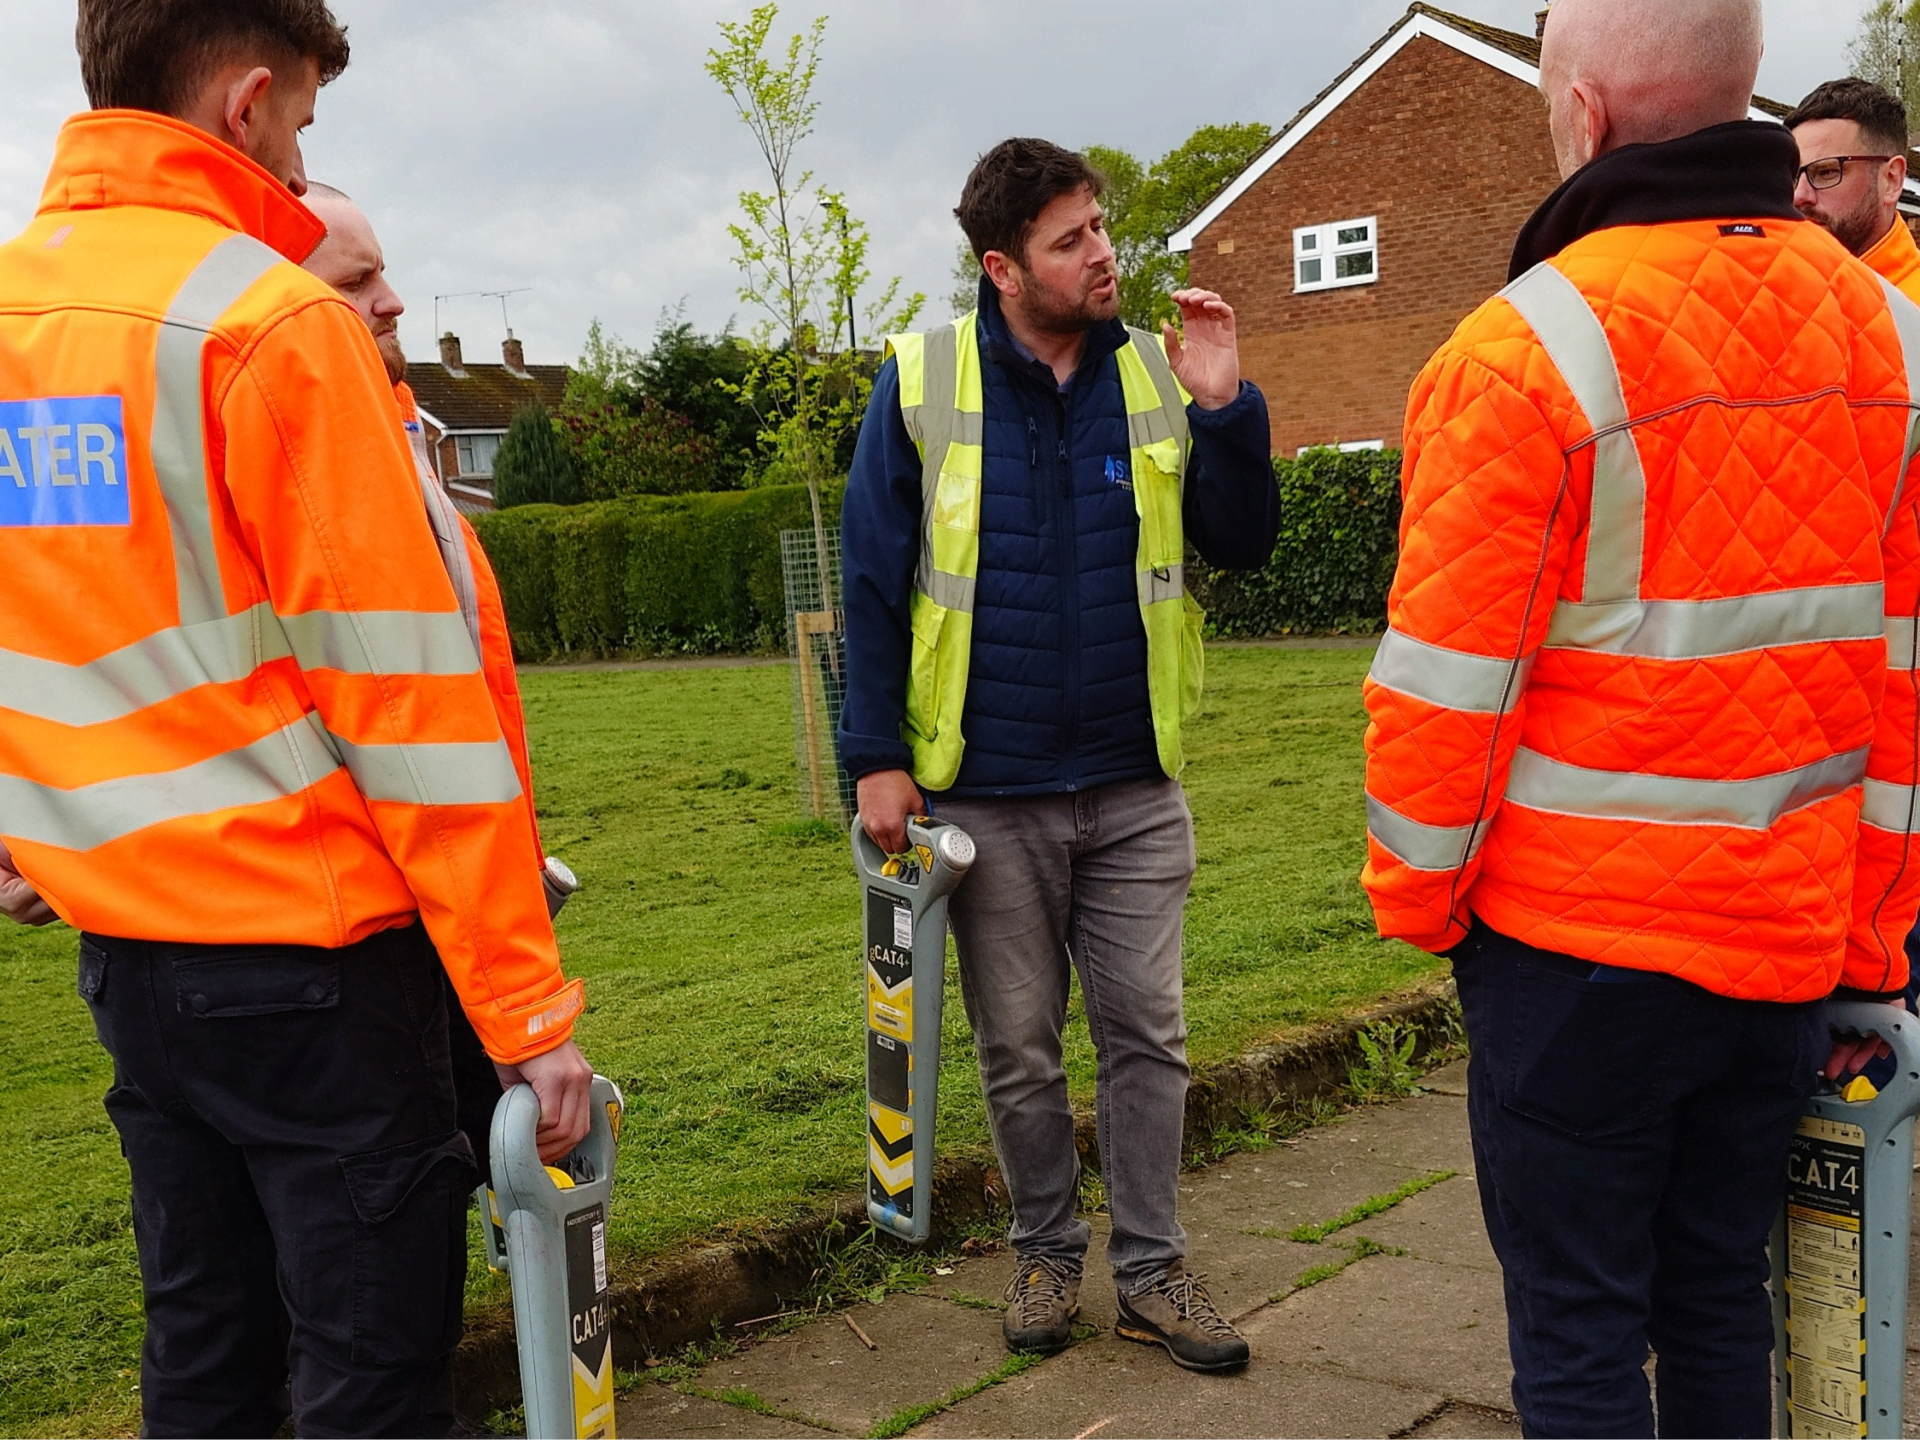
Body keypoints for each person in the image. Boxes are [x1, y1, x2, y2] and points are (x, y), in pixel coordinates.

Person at [0, 4, 593, 1437]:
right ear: (248, 99)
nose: (297, 148)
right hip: (312, 965)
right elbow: (411, 708)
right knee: (370, 1369)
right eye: (305, 122)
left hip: (131, 960)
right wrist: (521, 1010)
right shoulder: (269, 324)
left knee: (205, 1353)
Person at [1361, 0, 1920, 1434]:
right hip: (1783, 952)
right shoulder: (1895, 338)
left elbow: (1444, 688)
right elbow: (1902, 689)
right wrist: (1870, 942)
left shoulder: (1519, 347)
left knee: (1579, 1330)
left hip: (1573, 960)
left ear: (1588, 114)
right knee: (1722, 1300)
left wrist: (1425, 906)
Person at [839, 137, 1278, 1373]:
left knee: (1147, 1031)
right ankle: (1043, 1251)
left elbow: (1240, 543)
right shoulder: (922, 383)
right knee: (1019, 1045)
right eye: (1072, 239)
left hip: (1138, 785)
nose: (1104, 256)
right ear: (1001, 267)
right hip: (988, 792)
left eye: (1102, 229)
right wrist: (876, 757)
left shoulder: (1156, 370)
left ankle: (1151, 1272)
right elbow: (873, 584)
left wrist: (1227, 407)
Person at [299, 181, 578, 1185]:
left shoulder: (407, 441)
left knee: (499, 1165)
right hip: (365, 925)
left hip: (457, 898)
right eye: (357, 279)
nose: (394, 301)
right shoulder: (321, 467)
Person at [1786, 78, 1918, 297]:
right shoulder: (1775, 294)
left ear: (1892, 180)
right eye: (1792, 176)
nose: (1800, 195)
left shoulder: (1911, 315)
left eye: (1826, 172)